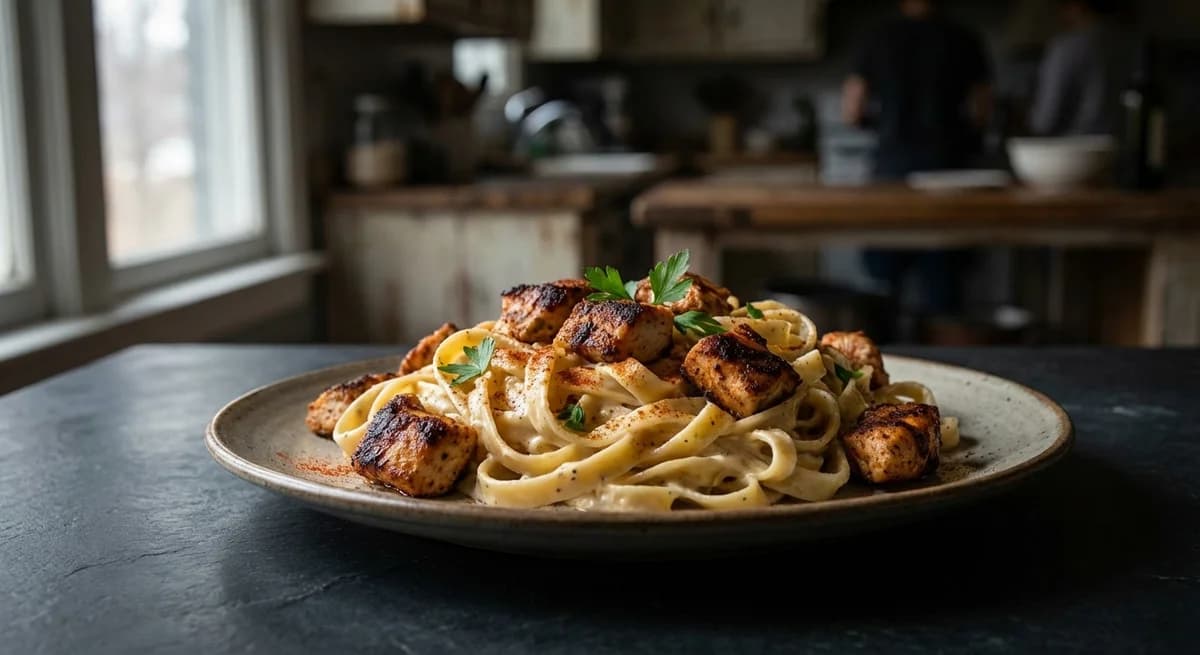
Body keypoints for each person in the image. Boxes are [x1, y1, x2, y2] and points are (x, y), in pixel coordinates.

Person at [841, 0, 994, 318]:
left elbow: (853, 109)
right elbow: (981, 111)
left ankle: (885, 357)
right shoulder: (962, 37)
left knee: (884, 283)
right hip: (948, 170)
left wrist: (879, 124)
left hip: (892, 167)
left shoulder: (878, 36)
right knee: (943, 285)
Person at [1029, 0, 1129, 136]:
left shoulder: (1065, 48)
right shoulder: (1127, 43)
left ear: (1076, 6)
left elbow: (1045, 119)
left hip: (1074, 149)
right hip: (1121, 145)